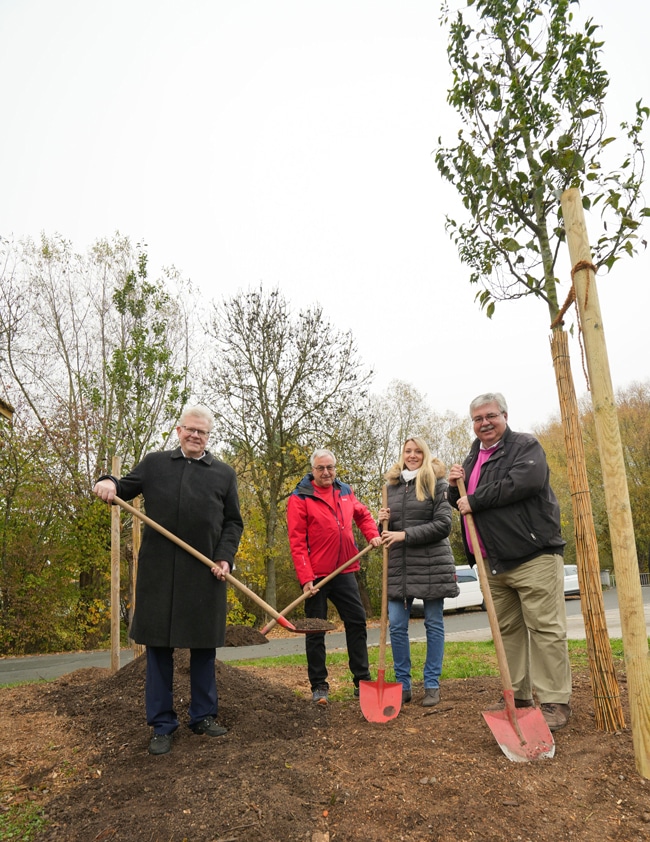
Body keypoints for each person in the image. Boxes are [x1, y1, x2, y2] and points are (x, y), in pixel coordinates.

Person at [93, 405, 243, 755]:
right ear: (178, 430)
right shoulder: (155, 463)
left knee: (203, 649)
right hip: (159, 573)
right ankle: (162, 724)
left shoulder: (223, 474)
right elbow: (123, 487)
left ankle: (203, 717)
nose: (195, 435)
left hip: (204, 572)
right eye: (190, 429)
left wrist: (225, 556)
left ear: (209, 436)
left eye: (202, 432)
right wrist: (107, 481)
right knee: (158, 650)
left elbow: (233, 522)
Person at [447, 392, 572, 731]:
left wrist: (473, 498)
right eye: (477, 419)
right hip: (491, 562)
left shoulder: (524, 446)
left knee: (545, 630)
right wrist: (452, 488)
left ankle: (554, 702)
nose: (484, 423)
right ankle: (517, 697)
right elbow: (463, 504)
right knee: (508, 633)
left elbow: (523, 482)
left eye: (491, 416)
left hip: (532, 555)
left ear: (504, 414)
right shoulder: (473, 458)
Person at [287, 448, 383, 704]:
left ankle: (361, 681)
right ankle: (319, 686)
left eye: (330, 467)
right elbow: (297, 541)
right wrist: (306, 578)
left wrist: (372, 534)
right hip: (317, 576)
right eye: (321, 468)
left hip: (345, 570)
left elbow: (362, 515)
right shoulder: (300, 497)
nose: (326, 472)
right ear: (313, 470)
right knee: (315, 631)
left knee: (357, 622)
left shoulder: (345, 491)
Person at [378, 437, 459, 707]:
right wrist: (383, 524)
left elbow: (443, 525)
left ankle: (432, 684)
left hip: (431, 565)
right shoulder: (391, 487)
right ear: (402, 454)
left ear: (425, 454)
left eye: (418, 451)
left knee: (433, 624)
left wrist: (403, 534)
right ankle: (403, 684)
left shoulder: (437, 483)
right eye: (408, 451)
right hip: (400, 566)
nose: (412, 455)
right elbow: (388, 535)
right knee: (397, 626)